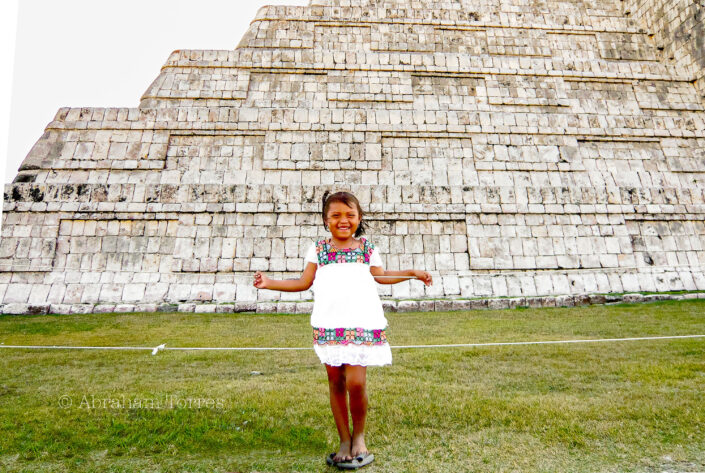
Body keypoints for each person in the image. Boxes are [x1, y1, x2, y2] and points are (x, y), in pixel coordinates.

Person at [253, 190, 433, 470]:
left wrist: (412, 273)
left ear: (359, 218)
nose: (343, 220)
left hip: (362, 324)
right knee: (336, 383)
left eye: (350, 215)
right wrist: (270, 282)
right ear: (326, 221)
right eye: (336, 215)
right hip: (329, 325)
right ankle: (344, 440)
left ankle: (359, 436)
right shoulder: (319, 250)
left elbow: (382, 277)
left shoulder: (367, 248)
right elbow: (303, 282)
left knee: (356, 383)